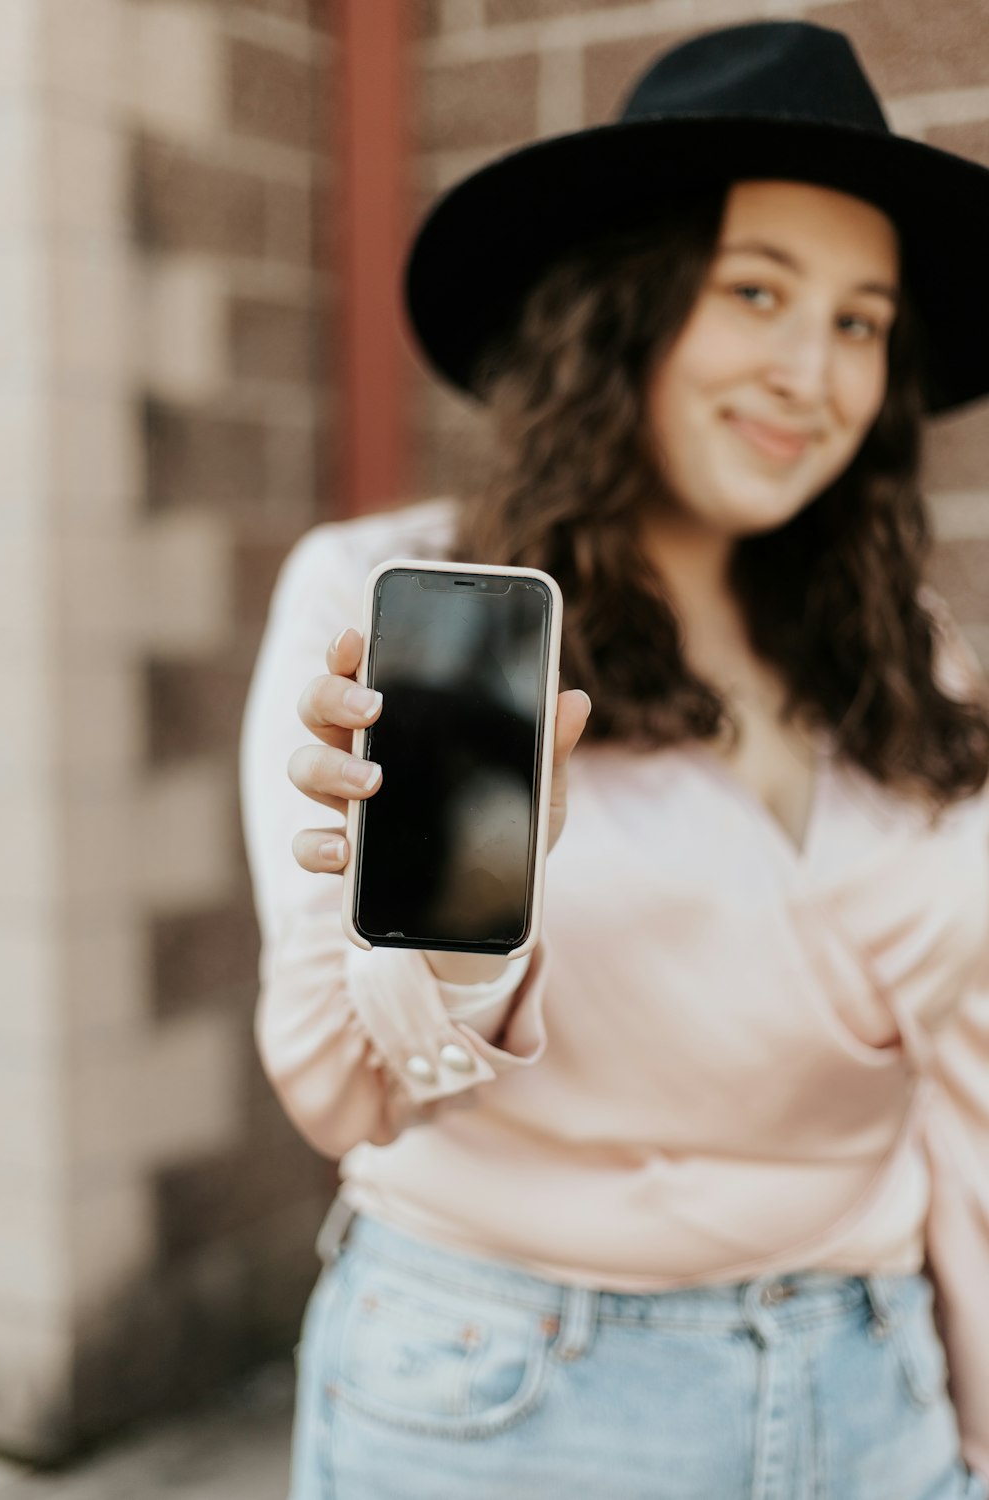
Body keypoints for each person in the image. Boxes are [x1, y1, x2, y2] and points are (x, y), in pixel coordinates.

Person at [239, 19, 989, 1500]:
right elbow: (351, 1082)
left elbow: (968, 1079)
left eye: (859, 320)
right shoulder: (377, 599)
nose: (809, 370)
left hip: (879, 1380)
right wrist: (470, 912)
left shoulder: (911, 650)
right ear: (623, 310)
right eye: (757, 291)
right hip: (511, 1394)